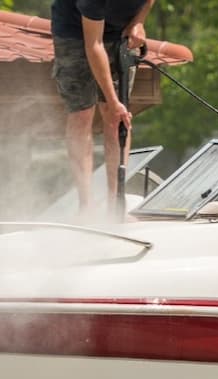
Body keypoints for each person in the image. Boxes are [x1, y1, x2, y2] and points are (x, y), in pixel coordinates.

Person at [50, 0, 155, 219]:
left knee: (117, 119)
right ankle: (85, 208)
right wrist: (113, 100)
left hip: (119, 33)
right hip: (75, 33)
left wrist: (139, 22)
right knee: (81, 113)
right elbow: (93, 45)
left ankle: (116, 205)